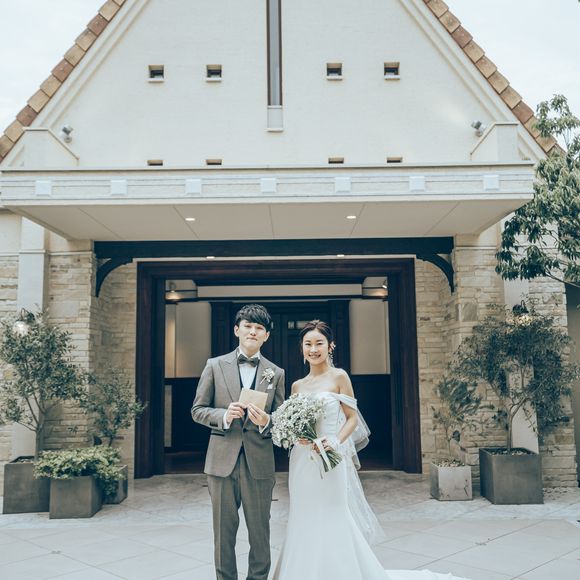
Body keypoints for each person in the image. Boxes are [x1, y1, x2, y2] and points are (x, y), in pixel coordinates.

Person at [273, 320, 467, 580]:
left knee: (333, 511)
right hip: (303, 459)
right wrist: (297, 436)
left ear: (330, 346)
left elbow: (352, 418)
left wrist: (336, 441)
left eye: (319, 343)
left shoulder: (339, 377)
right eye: (308, 344)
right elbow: (297, 423)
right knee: (303, 513)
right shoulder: (297, 385)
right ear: (302, 348)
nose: (313, 349)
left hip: (331, 457)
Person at [191, 304, 285, 580]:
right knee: (223, 532)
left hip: (259, 463)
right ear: (237, 330)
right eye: (248, 326)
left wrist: (266, 420)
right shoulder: (214, 365)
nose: (253, 331)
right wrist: (223, 415)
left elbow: (281, 419)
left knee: (260, 532)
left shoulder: (275, 372)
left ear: (266, 335)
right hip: (221, 462)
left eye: (259, 328)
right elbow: (197, 410)